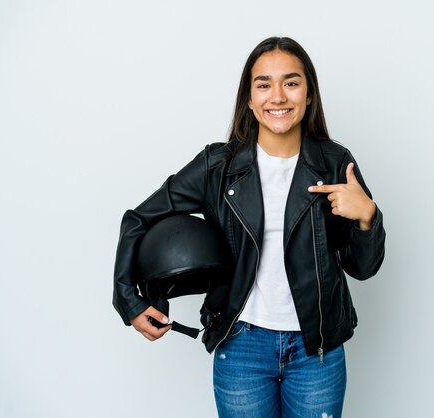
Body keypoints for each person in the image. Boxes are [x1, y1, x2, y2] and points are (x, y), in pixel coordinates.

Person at [113, 36, 385, 417]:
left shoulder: (336, 163)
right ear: (249, 98)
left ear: (308, 95)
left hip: (317, 350)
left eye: (291, 83)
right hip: (242, 345)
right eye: (263, 85)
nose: (277, 96)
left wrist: (367, 218)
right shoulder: (217, 167)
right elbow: (139, 219)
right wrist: (129, 301)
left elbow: (363, 268)